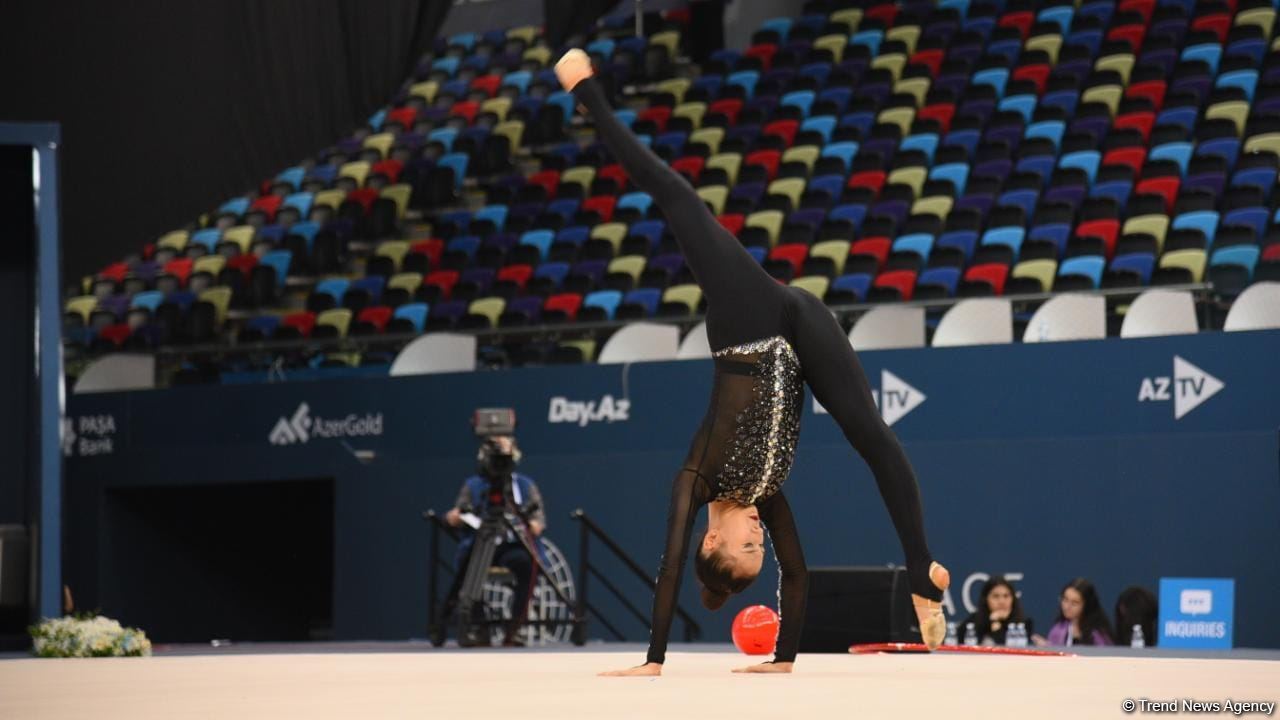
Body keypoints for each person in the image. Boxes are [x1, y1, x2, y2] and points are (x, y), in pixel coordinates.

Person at [552, 49, 950, 677]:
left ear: (712, 539)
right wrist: (782, 660)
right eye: (758, 546)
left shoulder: (695, 482)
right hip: (802, 333)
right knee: (869, 433)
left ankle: (590, 97)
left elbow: (670, 564)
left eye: (744, 546)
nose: (758, 537)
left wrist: (654, 661)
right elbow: (799, 574)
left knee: (677, 199)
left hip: (748, 324)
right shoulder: (765, 495)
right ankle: (923, 569)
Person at [442, 434, 548, 646]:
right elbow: (456, 513)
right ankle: (479, 625)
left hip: (512, 544)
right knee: (468, 563)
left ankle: (515, 627)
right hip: (480, 542)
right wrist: (455, 516)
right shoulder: (473, 485)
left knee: (527, 564)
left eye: (505, 453)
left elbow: (539, 520)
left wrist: (532, 524)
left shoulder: (525, 485)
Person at [957, 575, 1040, 646]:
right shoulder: (973, 622)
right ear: (986, 599)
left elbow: (1007, 650)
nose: (1002, 601)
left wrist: (996, 625)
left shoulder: (1024, 623)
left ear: (1013, 599)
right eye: (996, 596)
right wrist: (991, 621)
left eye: (1006, 596)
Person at [1046, 578, 1114, 647]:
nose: (1067, 606)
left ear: (1087, 605)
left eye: (1074, 603)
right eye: (1065, 600)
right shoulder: (1058, 630)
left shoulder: (1099, 635)